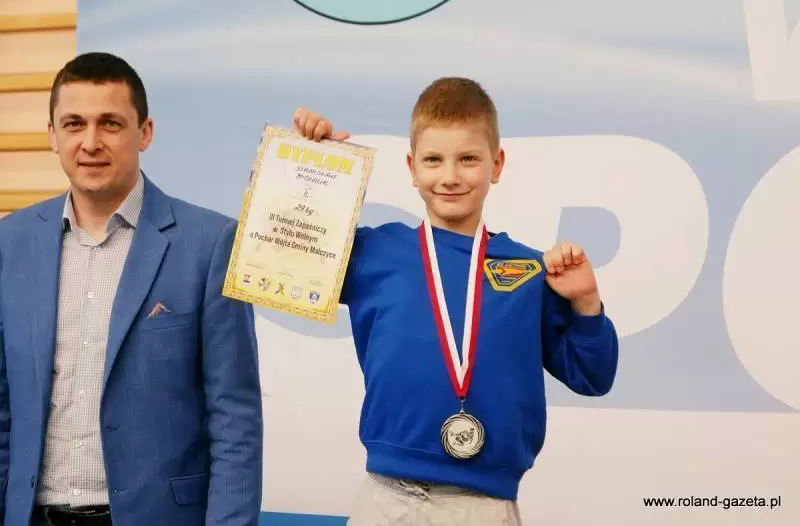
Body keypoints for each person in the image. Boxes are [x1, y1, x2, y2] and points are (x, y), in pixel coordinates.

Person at [292, 77, 619, 525]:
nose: (449, 176)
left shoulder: (528, 269)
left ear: (496, 164)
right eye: (433, 160)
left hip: (483, 505)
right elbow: (278, 257)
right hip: (385, 499)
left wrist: (586, 302)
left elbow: (592, 376)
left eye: (468, 159)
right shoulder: (374, 253)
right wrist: (311, 167)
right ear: (412, 167)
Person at [0, 52, 263, 526]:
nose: (91, 142)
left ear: (145, 132)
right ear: (52, 135)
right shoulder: (10, 242)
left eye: (111, 123)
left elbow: (235, 421)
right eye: (74, 124)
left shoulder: (210, 244)